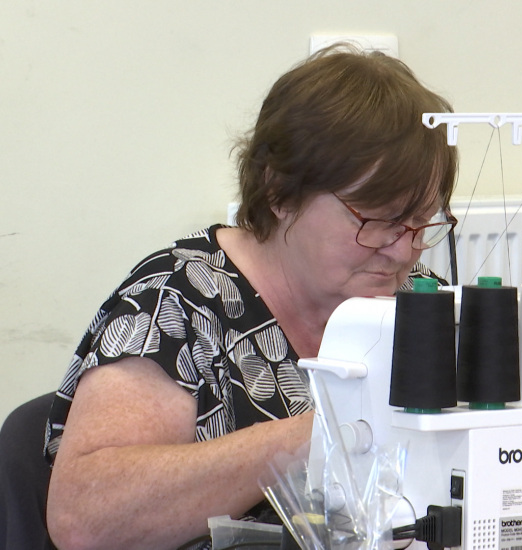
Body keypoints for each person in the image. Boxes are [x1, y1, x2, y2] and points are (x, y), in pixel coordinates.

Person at [44, 44, 458, 550]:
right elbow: (86, 518)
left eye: (421, 223)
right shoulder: (177, 304)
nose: (403, 250)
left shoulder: (419, 303)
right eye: (378, 220)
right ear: (282, 191)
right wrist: (323, 435)